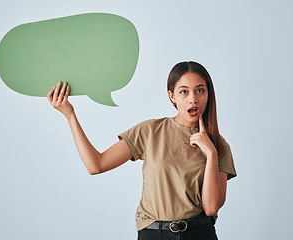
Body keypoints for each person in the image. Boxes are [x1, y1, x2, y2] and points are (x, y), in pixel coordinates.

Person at [47, 61, 237, 240]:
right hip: (155, 234)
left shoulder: (219, 146)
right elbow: (95, 165)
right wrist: (70, 115)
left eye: (200, 91)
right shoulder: (150, 131)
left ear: (208, 94)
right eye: (184, 92)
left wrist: (211, 153)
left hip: (200, 233)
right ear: (172, 96)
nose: (193, 99)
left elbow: (211, 207)